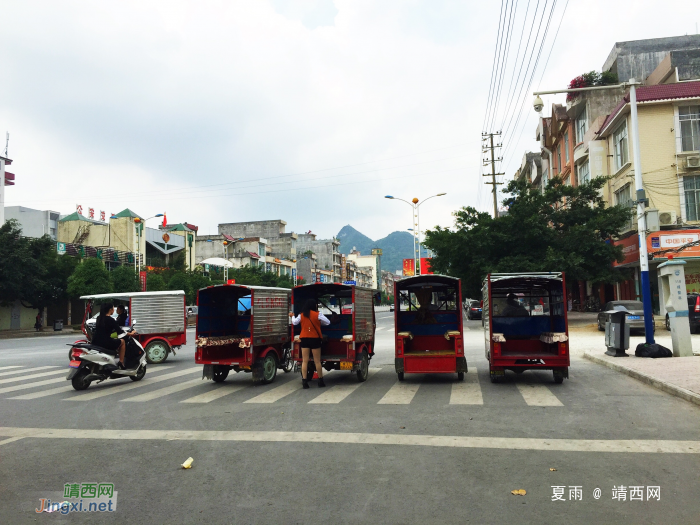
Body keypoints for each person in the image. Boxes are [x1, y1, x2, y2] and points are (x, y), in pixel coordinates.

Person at [289, 299, 331, 389]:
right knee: (317, 361)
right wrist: (319, 323)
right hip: (314, 339)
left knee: (305, 361)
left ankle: (304, 382)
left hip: (304, 338)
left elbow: (294, 322)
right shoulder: (318, 314)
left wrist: (292, 316)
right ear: (314, 306)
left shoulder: (301, 315)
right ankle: (320, 381)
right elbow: (328, 322)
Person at [92, 303, 137, 368]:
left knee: (116, 339)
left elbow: (106, 330)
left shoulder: (99, 318)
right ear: (110, 310)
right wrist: (131, 333)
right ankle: (121, 362)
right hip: (105, 342)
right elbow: (120, 332)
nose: (114, 310)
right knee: (122, 341)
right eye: (113, 308)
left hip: (96, 341)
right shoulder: (111, 319)